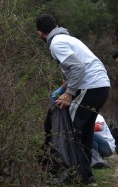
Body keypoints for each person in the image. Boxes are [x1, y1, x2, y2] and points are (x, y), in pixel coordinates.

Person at [36, 13, 110, 184]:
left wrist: (69, 94)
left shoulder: (56, 43)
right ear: (56, 26)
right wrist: (62, 89)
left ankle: (78, 175)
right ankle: (87, 175)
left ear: (39, 33)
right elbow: (78, 68)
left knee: (72, 131)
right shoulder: (68, 39)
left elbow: (78, 68)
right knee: (85, 132)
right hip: (101, 86)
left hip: (89, 86)